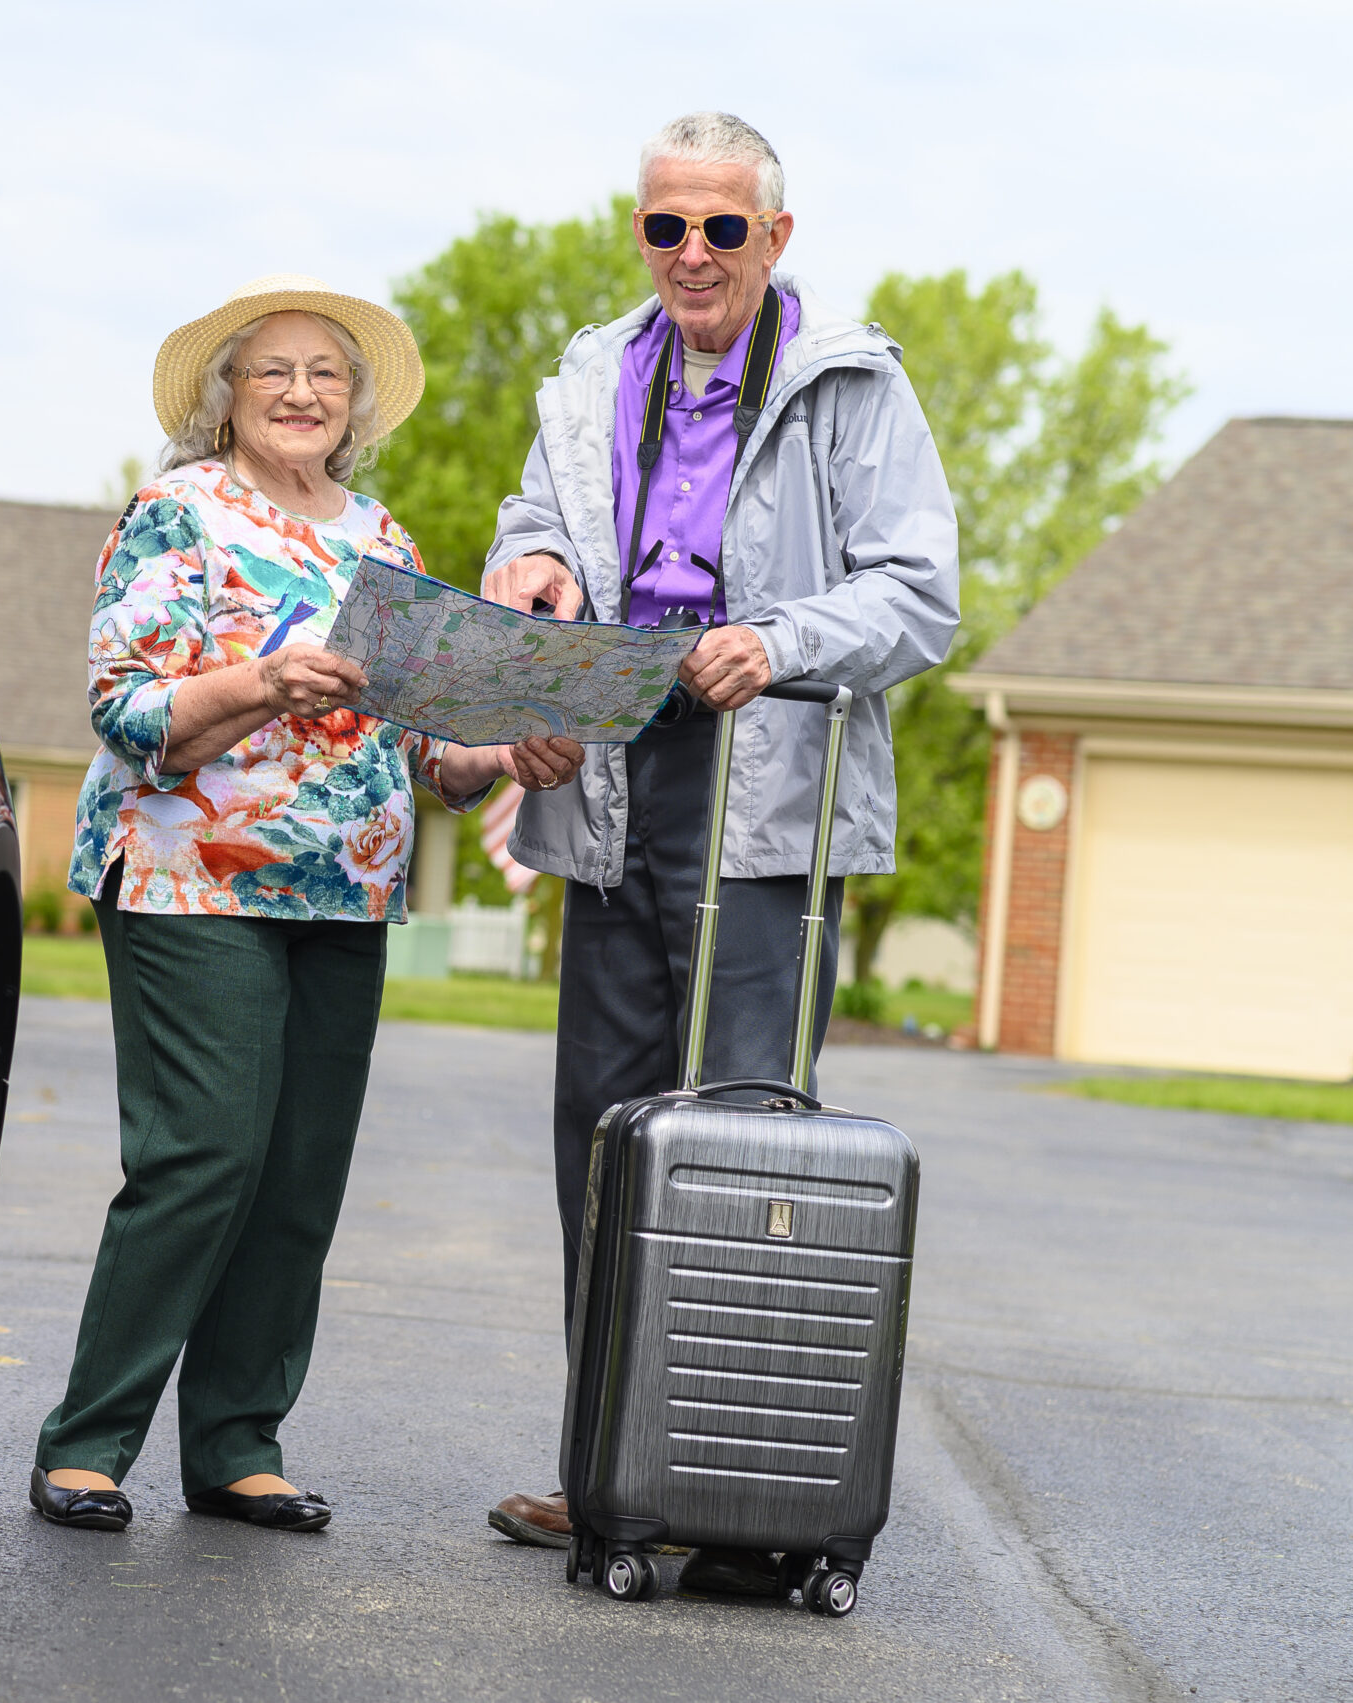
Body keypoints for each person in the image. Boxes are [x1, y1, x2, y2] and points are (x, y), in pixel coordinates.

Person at [476, 115, 959, 1593]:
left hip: (767, 783)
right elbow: (532, 521)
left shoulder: (854, 384)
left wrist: (784, 637)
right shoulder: (585, 371)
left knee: (748, 1139)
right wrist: (532, 563)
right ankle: (608, 1469)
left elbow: (921, 597)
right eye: (665, 227)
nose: (692, 254)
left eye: (722, 230)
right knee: (605, 1141)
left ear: (776, 238)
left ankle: (728, 1484)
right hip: (612, 761)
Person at [29, 276, 582, 1536]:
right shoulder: (177, 511)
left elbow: (422, 747)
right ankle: (86, 1440)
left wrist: (503, 754)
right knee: (203, 1150)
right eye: (272, 370)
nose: (299, 391)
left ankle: (236, 1444)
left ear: (355, 405)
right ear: (223, 397)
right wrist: (263, 678)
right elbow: (123, 710)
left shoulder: (382, 540)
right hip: (191, 875)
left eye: (325, 374)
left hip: (343, 889)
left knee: (295, 1177)